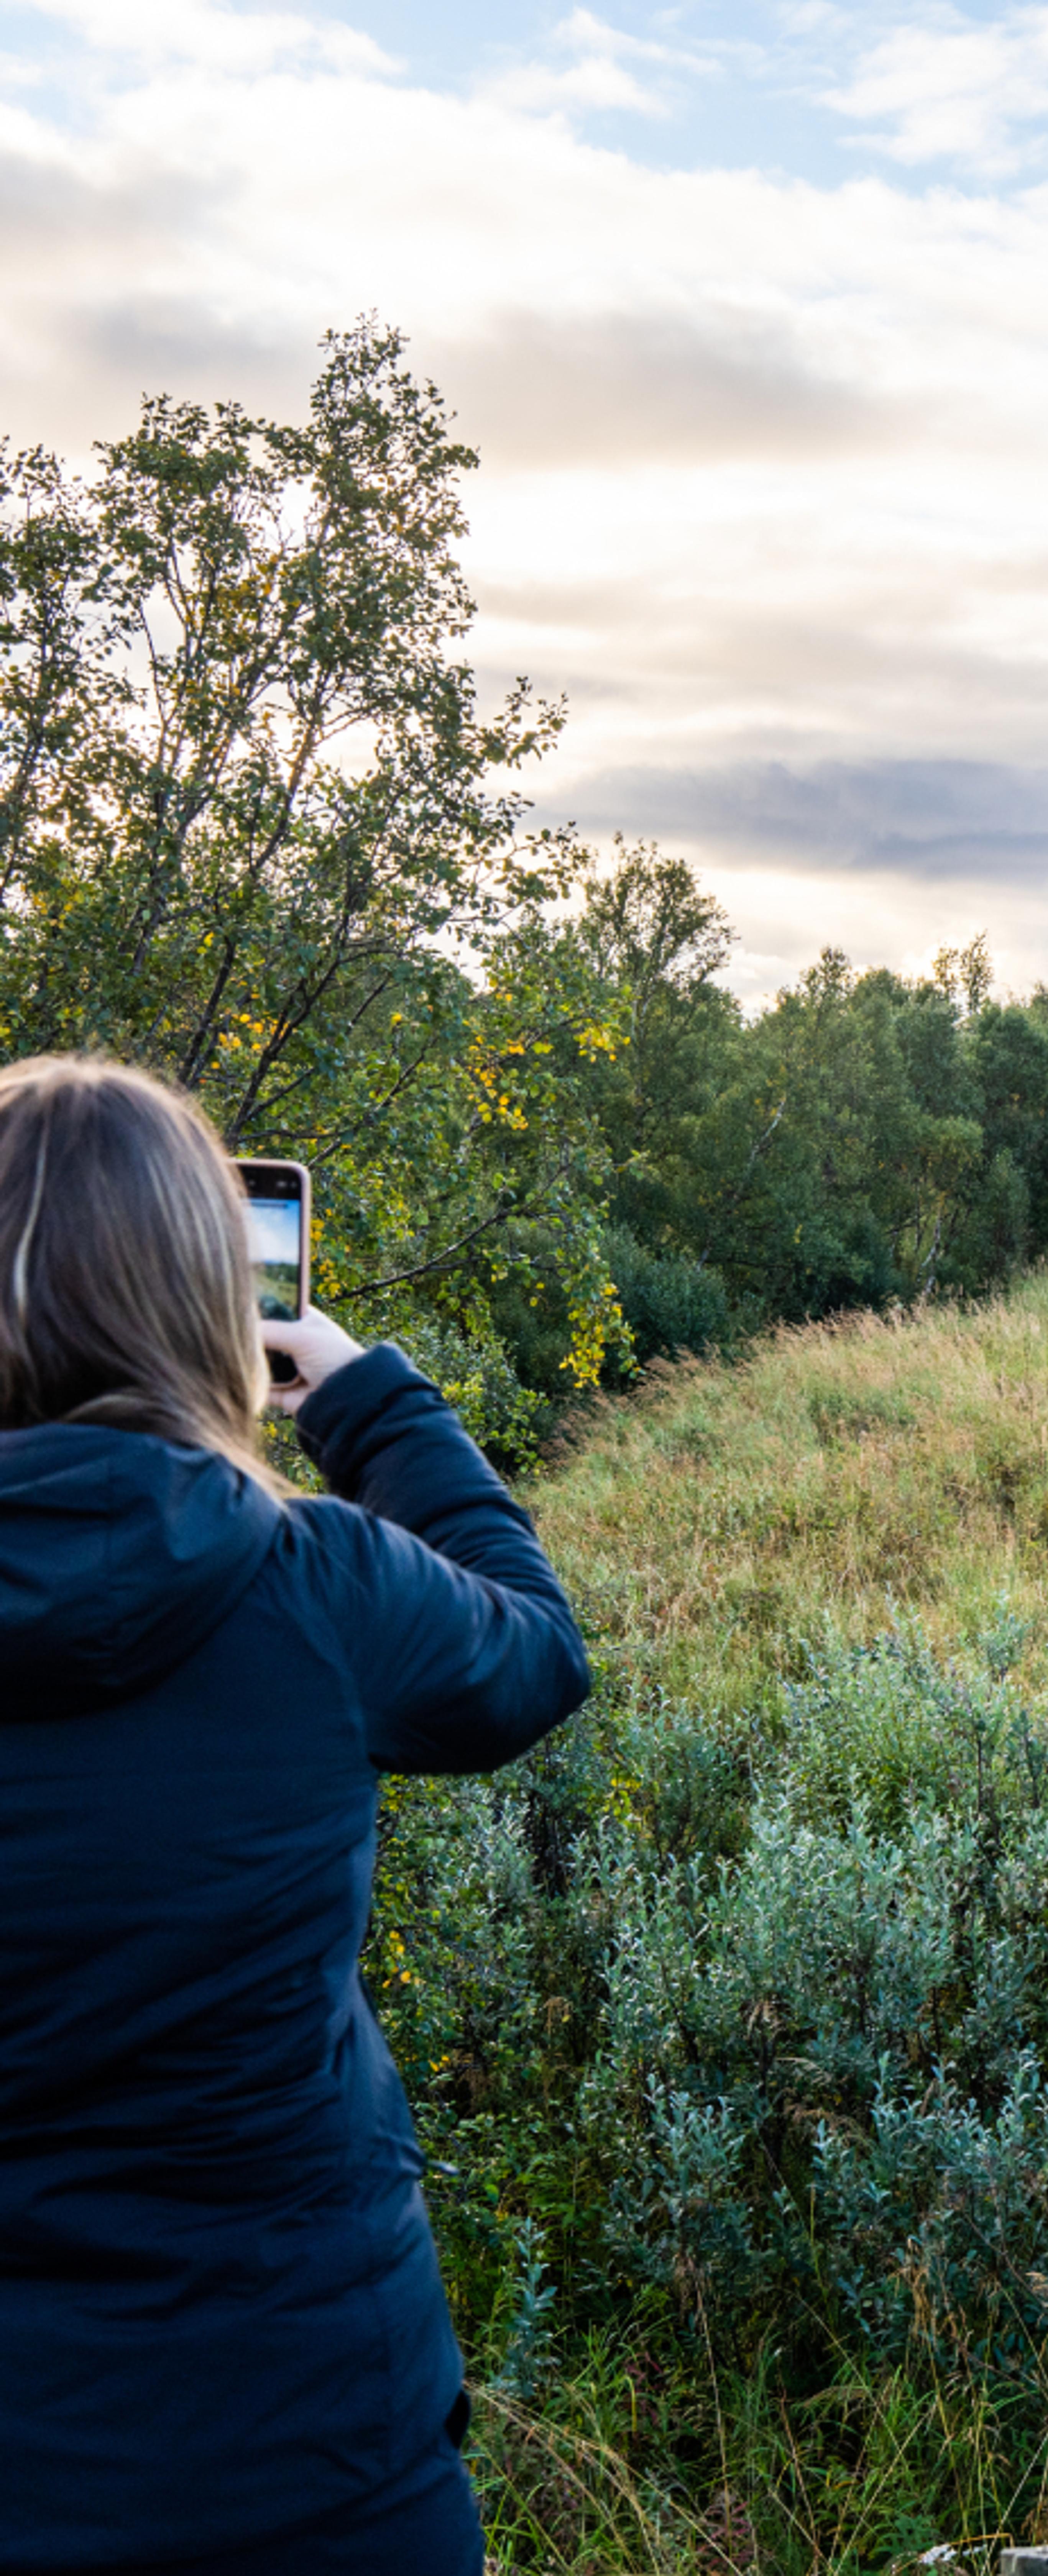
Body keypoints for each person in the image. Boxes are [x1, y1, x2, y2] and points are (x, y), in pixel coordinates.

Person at [0, 1054, 592, 2573]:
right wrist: (370, 1395)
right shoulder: (319, 1585)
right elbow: (535, 1651)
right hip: (319, 2465)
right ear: (216, 1300)